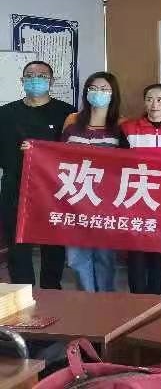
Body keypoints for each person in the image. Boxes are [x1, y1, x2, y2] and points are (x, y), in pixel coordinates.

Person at [0, 61, 75, 288]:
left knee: (53, 243)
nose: (35, 79)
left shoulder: (67, 113)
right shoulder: (5, 113)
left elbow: (74, 151)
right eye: (30, 75)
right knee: (17, 245)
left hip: (54, 188)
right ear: (22, 81)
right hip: (15, 186)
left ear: (51, 81)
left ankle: (52, 291)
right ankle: (23, 293)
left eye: (42, 75)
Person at [61, 72, 125, 292]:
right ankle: (86, 301)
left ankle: (105, 302)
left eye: (104, 89)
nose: (98, 93)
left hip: (107, 201)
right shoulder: (72, 122)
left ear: (113, 94)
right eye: (94, 88)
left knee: (105, 257)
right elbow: (55, 155)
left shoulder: (121, 125)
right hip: (75, 199)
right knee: (76, 258)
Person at [120, 84, 161, 294]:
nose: (154, 104)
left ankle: (155, 297)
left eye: (159, 100)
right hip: (137, 197)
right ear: (144, 102)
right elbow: (117, 161)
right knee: (136, 251)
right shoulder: (128, 128)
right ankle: (137, 299)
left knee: (158, 251)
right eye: (149, 99)